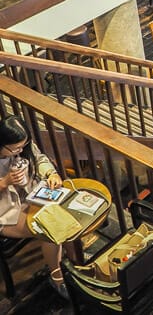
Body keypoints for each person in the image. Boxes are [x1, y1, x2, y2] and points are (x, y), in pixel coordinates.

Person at [0, 115, 67, 298]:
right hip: (6, 212)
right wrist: (4, 182)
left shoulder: (24, 147)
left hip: (31, 196)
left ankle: (67, 264)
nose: (20, 150)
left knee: (65, 213)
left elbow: (39, 158)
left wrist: (51, 173)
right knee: (50, 230)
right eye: (15, 148)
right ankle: (58, 278)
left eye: (23, 145)